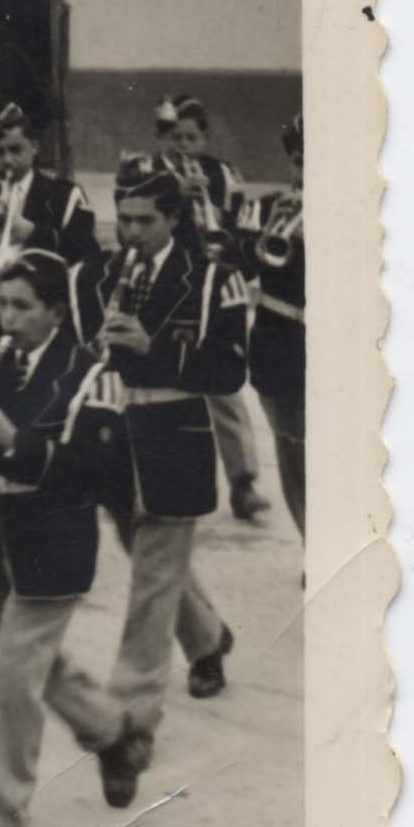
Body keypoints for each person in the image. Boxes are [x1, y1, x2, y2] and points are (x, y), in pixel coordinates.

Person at [0, 251, 148, 827]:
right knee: (34, 666)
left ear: (56, 311)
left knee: (14, 683)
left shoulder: (95, 376)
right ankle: (116, 733)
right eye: (2, 304)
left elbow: (90, 472)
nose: (7, 320)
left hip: (54, 541)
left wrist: (14, 441)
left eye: (21, 307)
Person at [71, 160, 246, 743]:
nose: (132, 233)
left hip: (175, 432)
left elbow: (228, 370)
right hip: (117, 432)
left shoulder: (211, 278)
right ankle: (206, 638)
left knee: (151, 575)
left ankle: (132, 714)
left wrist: (152, 349)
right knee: (146, 553)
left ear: (174, 218)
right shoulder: (104, 275)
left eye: (145, 221)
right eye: (123, 221)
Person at [152, 94, 271, 523]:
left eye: (191, 137)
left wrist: (226, 245)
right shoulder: (149, 175)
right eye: (175, 137)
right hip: (167, 290)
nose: (183, 145)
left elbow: (243, 229)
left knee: (223, 386)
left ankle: (243, 484)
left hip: (214, 287)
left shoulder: (225, 175)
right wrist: (176, 199)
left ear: (205, 138)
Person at [0, 104, 100, 353]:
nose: (7, 159)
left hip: (41, 322)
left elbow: (88, 255)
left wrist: (35, 234)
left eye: (15, 149)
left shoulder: (64, 195)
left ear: (34, 147)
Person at [237, 114, 305, 536]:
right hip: (278, 343)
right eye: (300, 161)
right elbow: (234, 264)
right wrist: (264, 233)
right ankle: (311, 540)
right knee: (292, 451)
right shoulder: (264, 208)